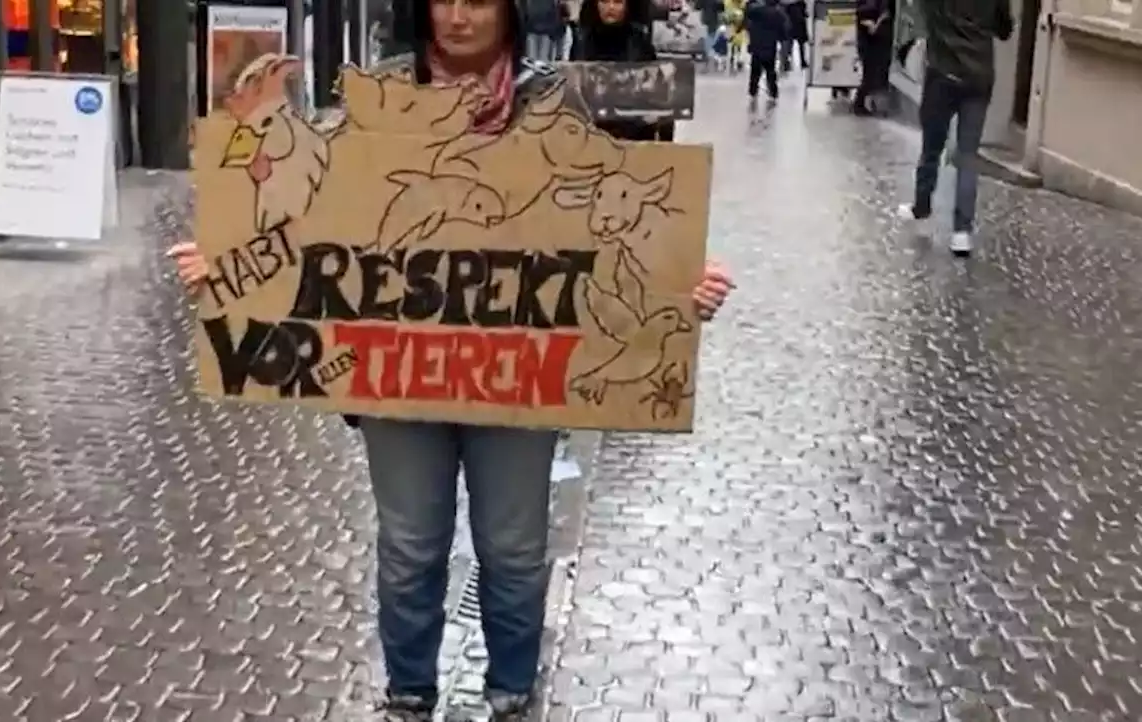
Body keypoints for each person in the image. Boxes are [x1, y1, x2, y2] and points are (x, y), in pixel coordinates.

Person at [168, 0, 735, 719]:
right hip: (400, 369)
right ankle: (409, 690)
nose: (460, 17)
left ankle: (510, 691)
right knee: (409, 545)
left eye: (478, 1)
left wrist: (683, 283)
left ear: (508, 11)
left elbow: (613, 216)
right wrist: (224, 265)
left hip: (520, 373)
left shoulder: (553, 102)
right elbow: (308, 211)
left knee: (514, 548)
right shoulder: (379, 99)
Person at [897, 0, 1013, 257]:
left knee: (931, 146)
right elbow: (1005, 30)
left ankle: (922, 206)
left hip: (943, 74)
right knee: (968, 154)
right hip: (979, 77)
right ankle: (962, 232)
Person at [570, 0, 676, 141]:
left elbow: (656, 89)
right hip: (591, 129)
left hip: (633, 129)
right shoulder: (582, 41)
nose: (611, 7)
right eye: (605, 1)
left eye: (618, 2)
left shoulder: (639, 41)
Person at [739, 0, 788, 100]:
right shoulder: (777, 13)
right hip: (770, 45)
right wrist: (782, 38)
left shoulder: (755, 10)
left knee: (755, 70)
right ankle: (773, 92)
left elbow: (746, 19)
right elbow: (783, 30)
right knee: (770, 70)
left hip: (756, 44)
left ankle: (753, 91)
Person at [852, 0, 893, 116]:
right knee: (869, 75)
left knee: (871, 75)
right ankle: (859, 105)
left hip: (873, 42)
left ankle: (861, 104)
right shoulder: (870, 5)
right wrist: (875, 23)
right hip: (870, 43)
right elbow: (865, 14)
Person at [781, 0, 808, 72]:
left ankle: (786, 62)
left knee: (788, 43)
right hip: (797, 19)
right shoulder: (799, 5)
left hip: (789, 20)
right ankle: (802, 61)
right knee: (800, 43)